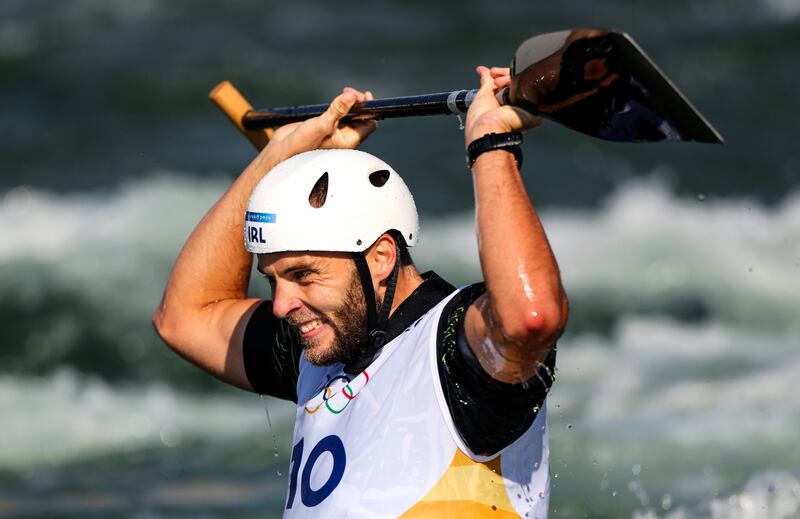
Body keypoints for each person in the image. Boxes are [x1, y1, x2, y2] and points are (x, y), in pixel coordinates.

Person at [153, 66, 568, 518]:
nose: (281, 304)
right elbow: (184, 315)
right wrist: (283, 154)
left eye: (304, 275)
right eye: (272, 279)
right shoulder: (319, 350)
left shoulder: (455, 353)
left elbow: (531, 317)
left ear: (381, 257)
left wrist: (490, 142)